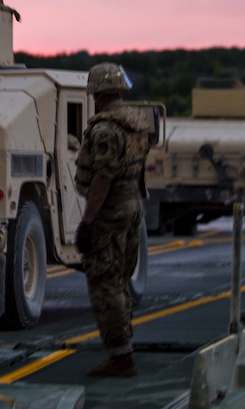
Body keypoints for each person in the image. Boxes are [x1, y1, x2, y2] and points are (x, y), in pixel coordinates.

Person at [74, 62, 153, 377]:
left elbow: (102, 179)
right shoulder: (135, 122)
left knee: (105, 284)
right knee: (120, 281)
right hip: (133, 206)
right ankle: (124, 348)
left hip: (112, 211)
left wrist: (88, 221)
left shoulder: (106, 129)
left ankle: (121, 357)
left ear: (96, 91)